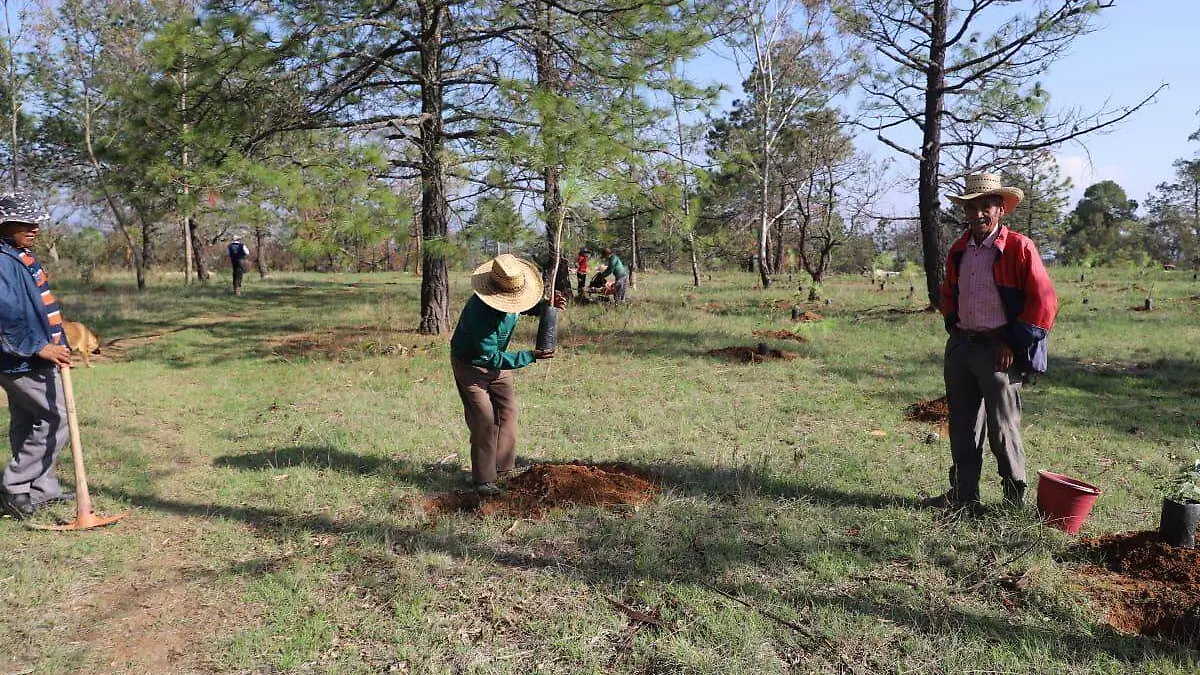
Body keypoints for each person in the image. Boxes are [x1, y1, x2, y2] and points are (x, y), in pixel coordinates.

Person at [920, 172, 1058, 511]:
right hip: (962, 348)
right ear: (965, 211)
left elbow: (1044, 303)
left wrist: (1012, 343)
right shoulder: (959, 249)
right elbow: (948, 293)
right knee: (962, 425)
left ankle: (1013, 502)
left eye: (987, 206)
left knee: (1003, 428)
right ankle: (964, 497)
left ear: (1001, 209)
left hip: (1000, 352)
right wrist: (953, 325)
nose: (979, 214)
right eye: (972, 207)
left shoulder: (1019, 248)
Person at [450, 254, 564, 496]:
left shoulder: (510, 297)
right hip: (472, 365)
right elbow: (490, 357)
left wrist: (545, 306)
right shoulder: (480, 314)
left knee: (508, 411)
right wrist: (530, 356)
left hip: (496, 361)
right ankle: (484, 480)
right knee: (483, 419)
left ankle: (503, 468)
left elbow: (520, 306)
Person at [0, 192, 74, 520]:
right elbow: (5, 316)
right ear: (4, 224)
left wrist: (59, 340)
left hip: (33, 354)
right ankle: (14, 486)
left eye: (36, 222)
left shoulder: (21, 255)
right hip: (19, 356)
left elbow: (41, 306)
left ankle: (40, 489)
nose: (34, 228)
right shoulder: (2, 261)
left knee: (28, 420)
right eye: (24, 222)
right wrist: (38, 346)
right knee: (56, 418)